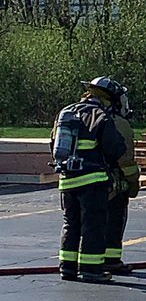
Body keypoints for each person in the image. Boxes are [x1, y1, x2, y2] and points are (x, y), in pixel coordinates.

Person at [51, 77, 126, 283]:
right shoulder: (100, 116)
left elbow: (54, 145)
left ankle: (67, 268)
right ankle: (91, 269)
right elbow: (114, 149)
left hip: (67, 180)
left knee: (70, 223)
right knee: (93, 225)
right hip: (92, 181)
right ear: (108, 99)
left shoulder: (66, 113)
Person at [105, 80, 141, 275]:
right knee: (114, 220)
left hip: (78, 183)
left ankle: (78, 262)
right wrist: (133, 183)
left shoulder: (75, 115)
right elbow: (126, 160)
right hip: (113, 185)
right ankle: (111, 261)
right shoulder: (119, 123)